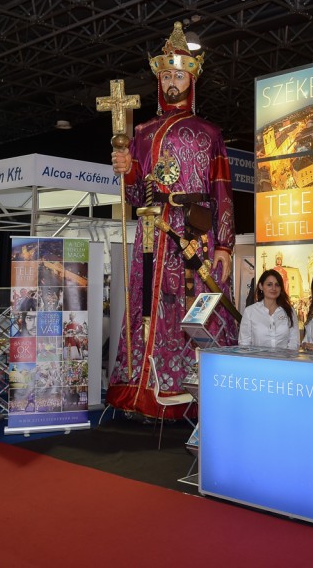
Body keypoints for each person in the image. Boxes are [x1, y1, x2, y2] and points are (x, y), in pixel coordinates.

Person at [108, 21, 237, 418]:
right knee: (148, 303)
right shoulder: (142, 132)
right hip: (153, 229)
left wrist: (224, 244)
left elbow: (222, 190)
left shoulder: (209, 133)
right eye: (166, 76)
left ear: (191, 80)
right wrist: (128, 170)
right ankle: (143, 386)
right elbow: (134, 195)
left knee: (195, 304)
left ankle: (198, 389)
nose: (172, 82)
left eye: (179, 75)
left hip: (194, 231)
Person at [238, 270, 299, 350]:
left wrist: (287, 356)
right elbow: (244, 343)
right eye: (269, 284)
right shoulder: (250, 312)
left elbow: (294, 341)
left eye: (277, 285)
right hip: (258, 357)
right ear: (261, 286)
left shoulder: (289, 311)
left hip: (284, 357)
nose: (274, 288)